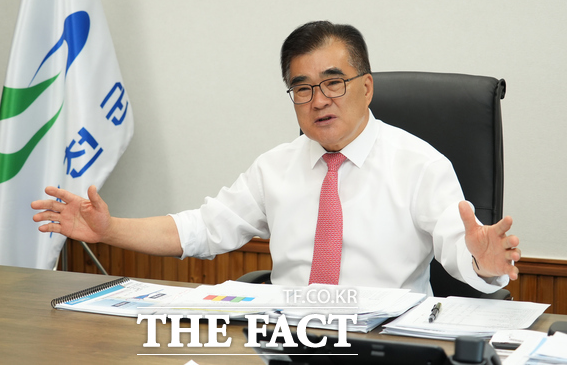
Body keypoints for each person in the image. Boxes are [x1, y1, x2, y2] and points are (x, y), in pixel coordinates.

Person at [32, 21, 521, 295]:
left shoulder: (420, 165)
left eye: (333, 83)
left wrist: (483, 260)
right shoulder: (275, 167)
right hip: (287, 341)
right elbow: (203, 228)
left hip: (384, 344)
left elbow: (462, 249)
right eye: (302, 88)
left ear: (366, 87)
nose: (319, 100)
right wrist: (109, 229)